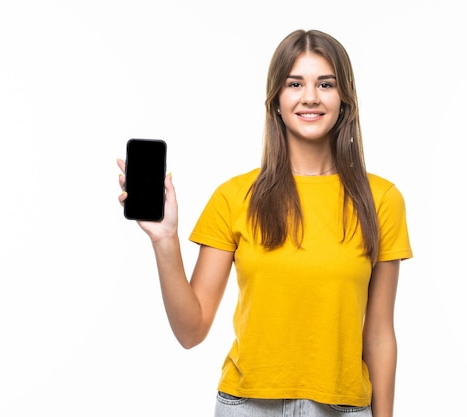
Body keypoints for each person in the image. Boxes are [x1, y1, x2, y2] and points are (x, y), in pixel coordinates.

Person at [117, 29, 412, 417]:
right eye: (295, 83)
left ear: (345, 100)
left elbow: (378, 335)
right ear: (276, 100)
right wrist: (165, 239)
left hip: (343, 408)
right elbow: (191, 331)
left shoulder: (381, 200)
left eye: (326, 83)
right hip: (247, 407)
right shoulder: (234, 197)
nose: (310, 96)